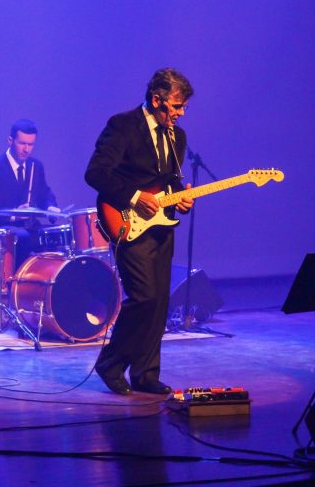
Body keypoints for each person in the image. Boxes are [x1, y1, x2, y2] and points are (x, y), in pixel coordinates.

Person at [85, 68, 194, 395]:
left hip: (161, 226)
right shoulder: (123, 126)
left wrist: (181, 198)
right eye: (176, 106)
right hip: (126, 221)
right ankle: (111, 363)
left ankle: (145, 374)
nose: (181, 113)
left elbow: (168, 183)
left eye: (183, 107)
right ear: (157, 99)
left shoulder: (177, 136)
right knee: (144, 297)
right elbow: (96, 173)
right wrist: (134, 197)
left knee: (159, 303)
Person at [0, 118, 60, 265]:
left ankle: (48, 277)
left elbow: (45, 193)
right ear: (10, 141)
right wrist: (13, 216)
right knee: (23, 237)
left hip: (29, 227)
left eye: (31, 144)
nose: (26, 149)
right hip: (1, 229)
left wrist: (50, 207)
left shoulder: (36, 166)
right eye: (22, 143)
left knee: (58, 235)